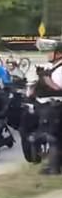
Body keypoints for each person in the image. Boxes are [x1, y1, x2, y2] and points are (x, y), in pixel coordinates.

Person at [33, 38, 62, 174]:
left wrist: (44, 78)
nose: (48, 54)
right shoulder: (54, 66)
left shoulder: (60, 69)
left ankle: (54, 168)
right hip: (49, 107)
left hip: (55, 107)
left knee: (53, 138)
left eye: (51, 52)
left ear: (59, 53)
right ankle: (53, 165)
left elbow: (56, 88)